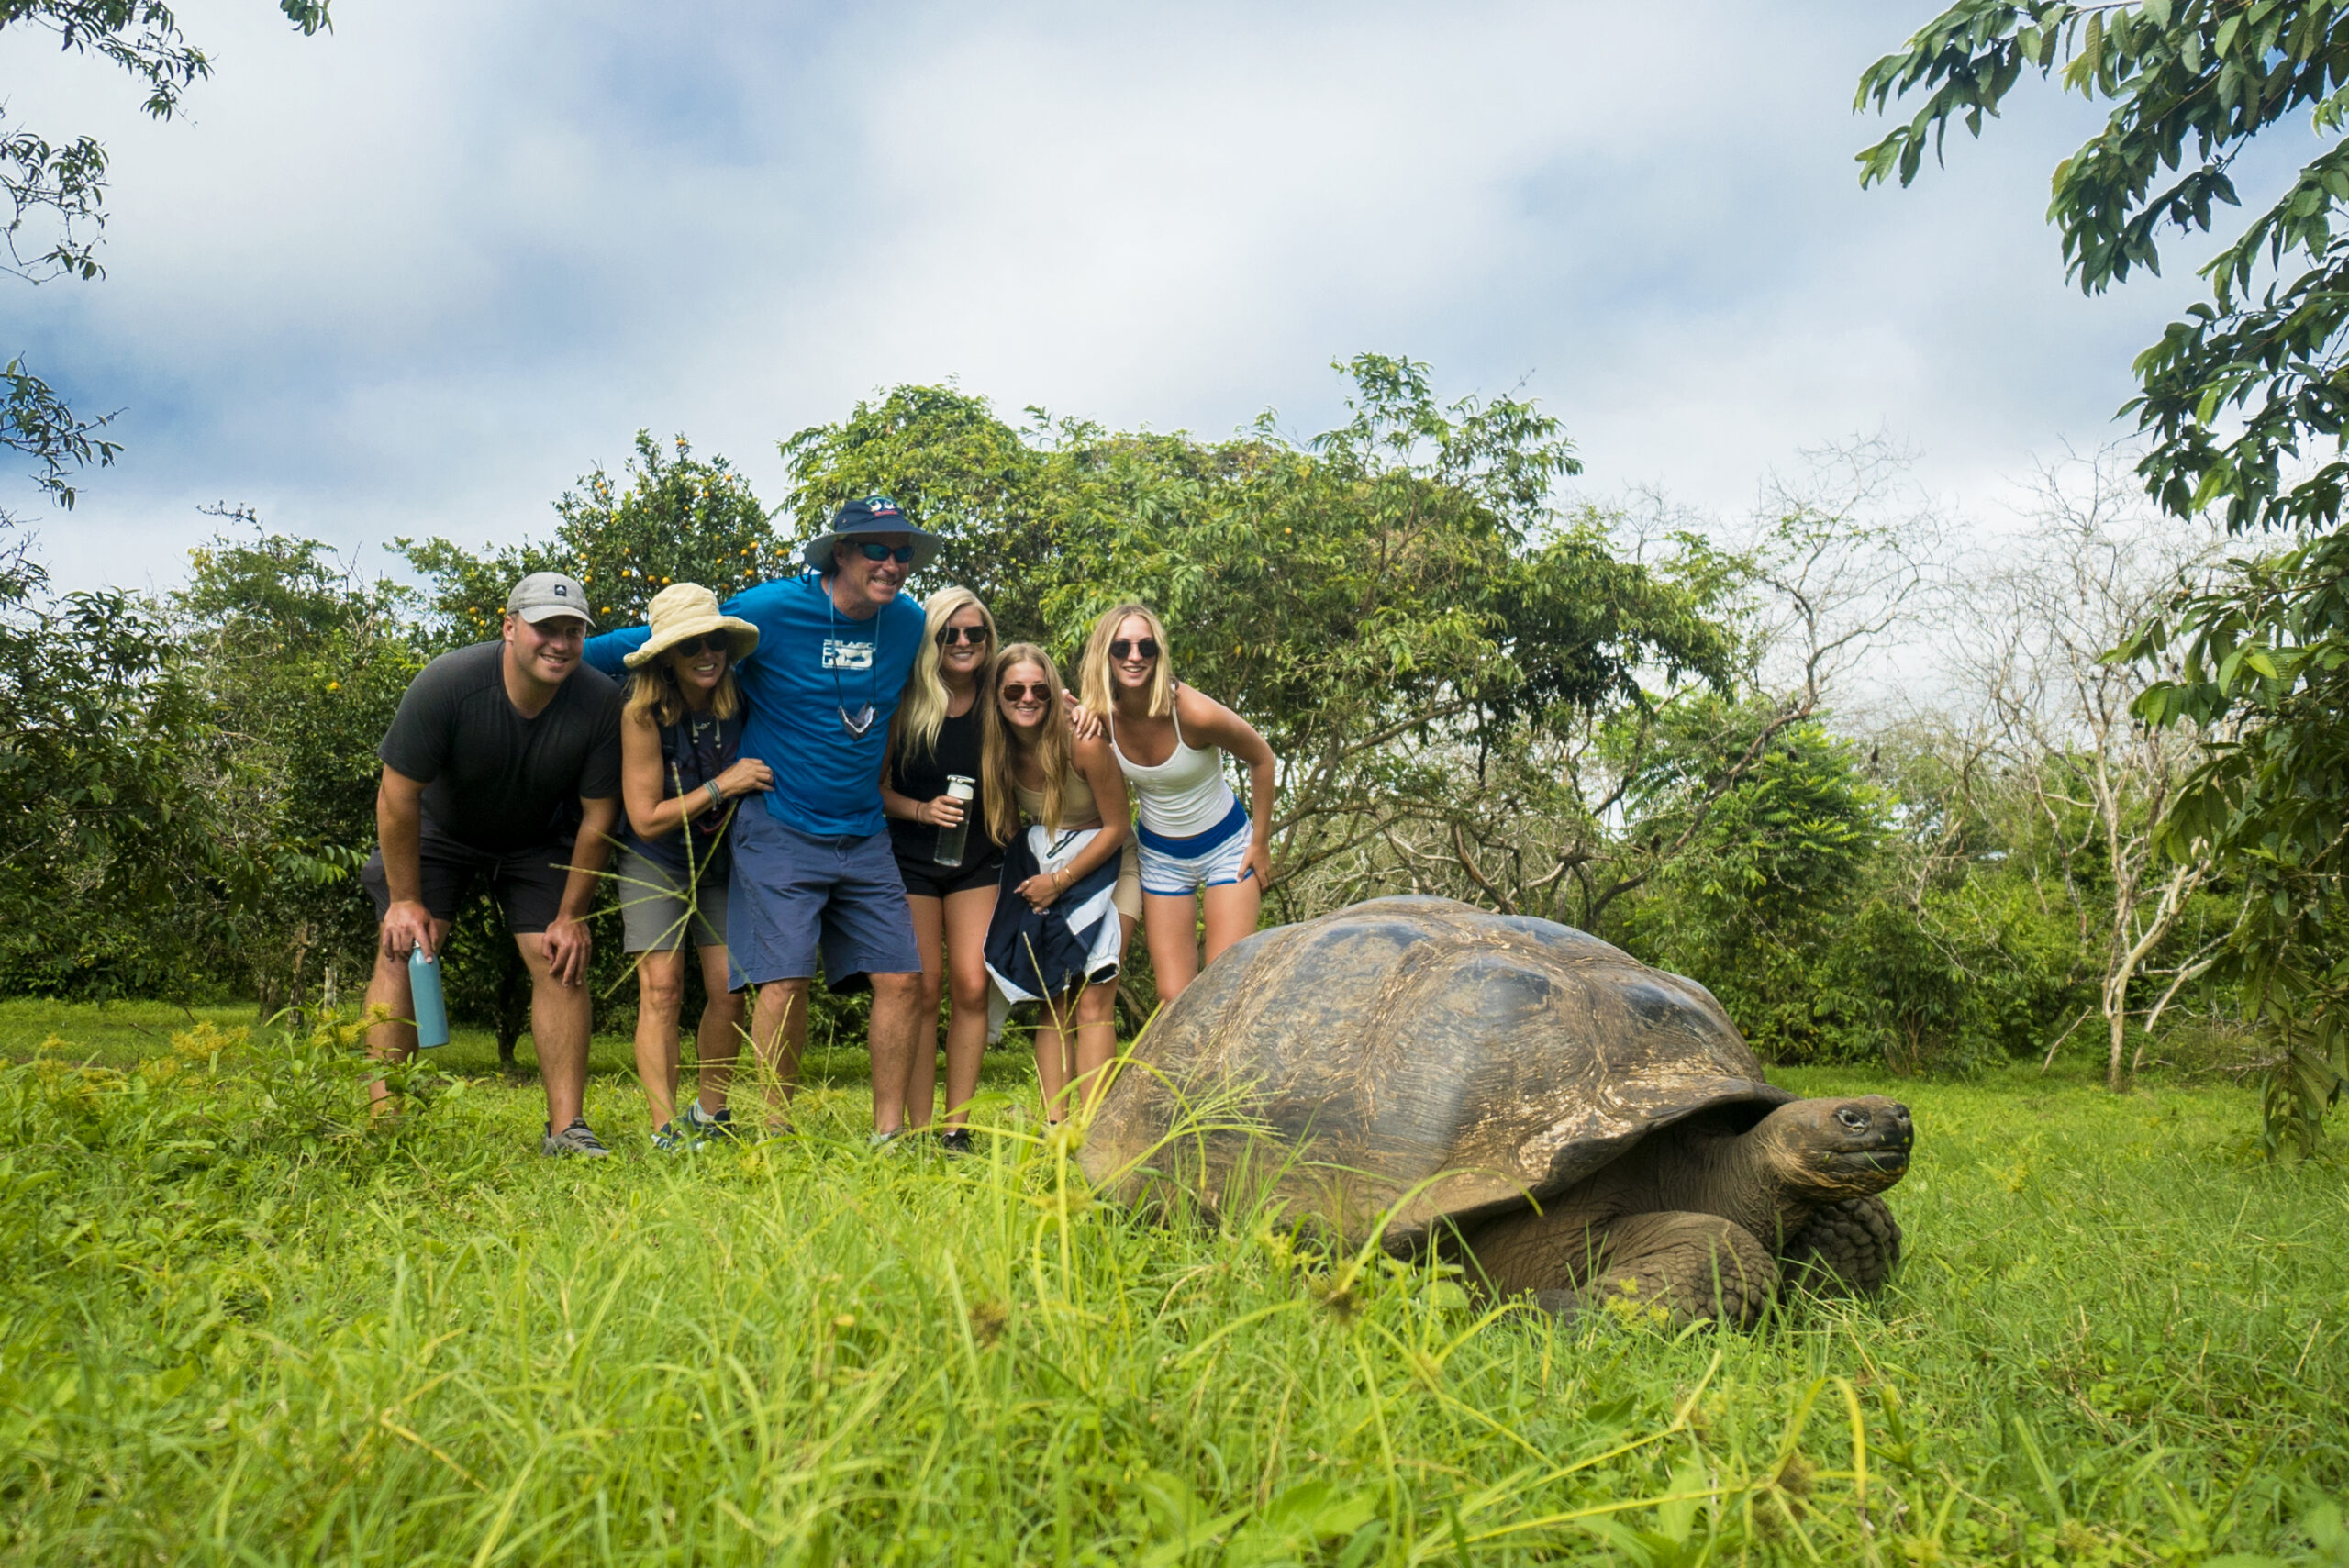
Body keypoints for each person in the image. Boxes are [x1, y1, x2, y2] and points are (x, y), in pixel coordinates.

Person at [585, 497, 932, 1144]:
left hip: (863, 830)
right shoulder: (770, 609)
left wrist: (1068, 704)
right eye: (875, 549)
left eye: (903, 551)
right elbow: (637, 647)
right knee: (783, 979)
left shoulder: (909, 623)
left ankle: (890, 1137)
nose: (891, 563)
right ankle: (776, 1133)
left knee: (903, 979)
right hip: (779, 823)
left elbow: (959, 680)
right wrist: (530, 656)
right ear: (841, 554)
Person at [362, 572, 622, 1156]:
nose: (559, 642)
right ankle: (384, 1120)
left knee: (558, 955)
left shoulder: (602, 701)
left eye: (573, 631)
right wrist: (405, 900)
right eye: (544, 629)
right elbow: (397, 795)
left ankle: (567, 1129)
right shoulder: (449, 683)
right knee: (406, 946)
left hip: (536, 838)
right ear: (509, 628)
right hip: (441, 828)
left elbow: (599, 815)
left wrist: (572, 915)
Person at [612, 583, 773, 1151]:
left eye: (714, 642)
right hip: (656, 858)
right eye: (690, 647)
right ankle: (663, 1128)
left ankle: (711, 1112)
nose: (706, 655)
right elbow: (646, 816)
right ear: (665, 659)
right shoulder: (641, 713)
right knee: (662, 989)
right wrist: (722, 784)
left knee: (730, 987)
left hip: (722, 859)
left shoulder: (744, 699)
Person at [1078, 601, 1275, 1006]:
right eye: (1122, 648)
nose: (1135, 657)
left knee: (1226, 984)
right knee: (1174, 996)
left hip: (1227, 849)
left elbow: (1262, 758)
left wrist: (1260, 841)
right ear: (1105, 654)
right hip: (1162, 856)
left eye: (1146, 648)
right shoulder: (1100, 718)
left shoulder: (1194, 713)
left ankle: (1227, 1073)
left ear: (1158, 654)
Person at [980, 642, 1141, 1122]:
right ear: (998, 696)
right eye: (1014, 689)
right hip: (1049, 866)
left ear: (1054, 694)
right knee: (1053, 999)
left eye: (1040, 690)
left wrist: (1060, 880)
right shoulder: (998, 753)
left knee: (1094, 995)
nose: (1028, 698)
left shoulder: (1082, 741)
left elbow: (1117, 827)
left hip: (1110, 867)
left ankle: (1093, 1127)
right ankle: (1057, 1126)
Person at [879, 586, 1002, 1154]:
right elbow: (874, 790)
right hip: (911, 859)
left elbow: (1046, 715)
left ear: (987, 639)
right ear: (931, 639)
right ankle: (923, 1127)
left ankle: (958, 1127)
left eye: (973, 633)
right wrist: (921, 809)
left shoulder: (1000, 696)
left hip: (976, 858)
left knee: (972, 985)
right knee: (924, 990)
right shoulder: (905, 698)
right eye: (948, 633)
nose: (961, 642)